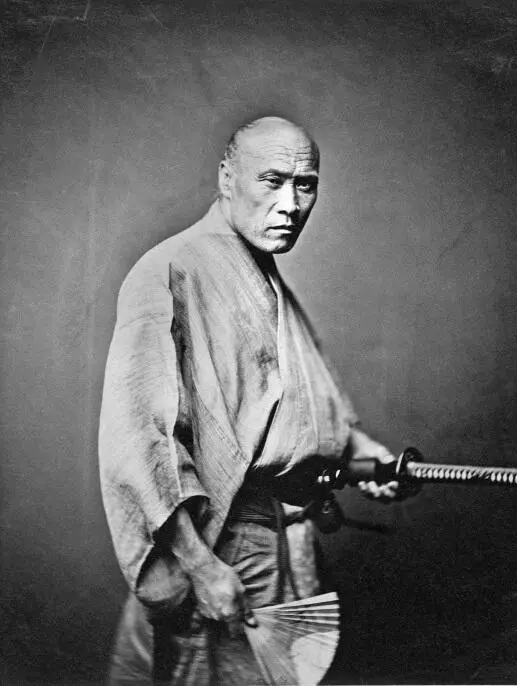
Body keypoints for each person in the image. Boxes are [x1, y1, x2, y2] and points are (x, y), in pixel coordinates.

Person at [99, 116, 408, 685]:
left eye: (305, 185)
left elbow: (298, 397)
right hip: (219, 541)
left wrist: (361, 450)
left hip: (282, 532)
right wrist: (200, 567)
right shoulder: (170, 269)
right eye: (272, 180)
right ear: (227, 177)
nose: (290, 204)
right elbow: (142, 441)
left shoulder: (260, 272)